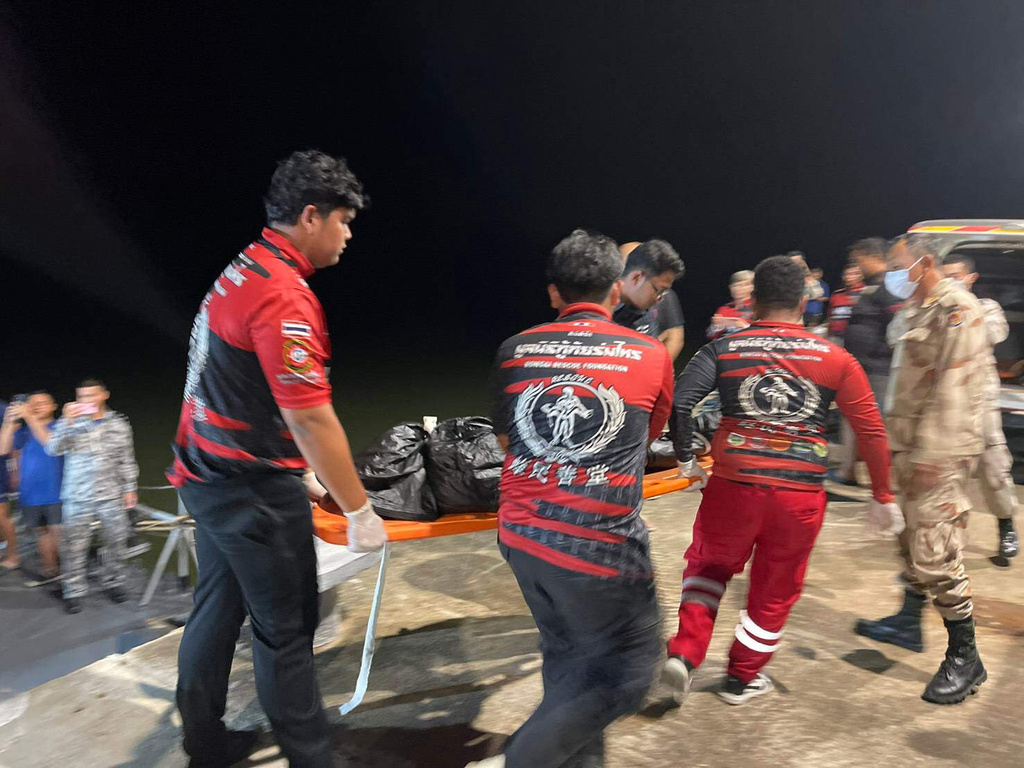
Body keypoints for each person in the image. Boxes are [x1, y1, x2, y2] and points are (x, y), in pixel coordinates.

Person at [169, 150, 387, 768]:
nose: (347, 236)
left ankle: (205, 745)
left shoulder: (245, 266)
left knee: (216, 607)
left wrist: (306, 474)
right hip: (248, 489)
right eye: (343, 222)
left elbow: (239, 384)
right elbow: (309, 415)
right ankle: (313, 757)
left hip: (203, 470)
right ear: (311, 217)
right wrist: (358, 508)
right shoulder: (285, 296)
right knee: (286, 630)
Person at [480, 229, 674, 768]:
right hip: (599, 549)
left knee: (571, 664)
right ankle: (518, 760)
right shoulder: (650, 353)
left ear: (553, 295)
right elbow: (646, 433)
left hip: (521, 536)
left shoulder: (514, 350)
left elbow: (507, 440)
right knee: (629, 675)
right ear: (616, 289)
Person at [667, 255, 898, 706]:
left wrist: (684, 459)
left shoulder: (724, 349)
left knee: (709, 568)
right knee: (776, 589)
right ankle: (741, 678)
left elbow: (680, 403)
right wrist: (883, 494)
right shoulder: (837, 358)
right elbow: (871, 430)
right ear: (804, 301)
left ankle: (685, 654)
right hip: (799, 495)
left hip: (732, 486)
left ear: (752, 301)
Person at [855, 234, 989, 705]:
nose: (890, 274)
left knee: (937, 551)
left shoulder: (958, 309)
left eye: (897, 265)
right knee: (908, 539)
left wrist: (933, 456)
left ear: (924, 262)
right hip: (910, 448)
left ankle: (965, 656)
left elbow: (956, 389)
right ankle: (909, 622)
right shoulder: (921, 306)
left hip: (939, 454)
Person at [941, 254, 1018, 559]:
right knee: (948, 474)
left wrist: (960, 307)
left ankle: (1006, 524)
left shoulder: (987, 307)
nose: (950, 282)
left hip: (979, 401)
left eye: (956, 276)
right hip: (945, 402)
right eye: (945, 277)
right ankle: (947, 538)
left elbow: (993, 334)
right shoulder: (934, 309)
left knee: (993, 468)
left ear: (970, 278)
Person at [46, 379, 138, 613]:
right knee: (74, 545)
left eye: (91, 395)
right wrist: (67, 421)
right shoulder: (69, 423)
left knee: (117, 540)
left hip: (111, 495)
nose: (87, 401)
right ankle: (73, 590)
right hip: (78, 494)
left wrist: (130, 488)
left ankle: (114, 581)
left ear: (104, 395)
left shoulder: (119, 424)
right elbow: (53, 449)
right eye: (82, 397)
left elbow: (126, 459)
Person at [831, 237, 901, 486]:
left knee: (874, 425)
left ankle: (884, 481)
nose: (857, 266)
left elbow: (898, 322)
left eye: (859, 260)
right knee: (852, 419)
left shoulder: (889, 285)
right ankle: (847, 471)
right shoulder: (873, 285)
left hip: (878, 370)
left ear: (873, 257)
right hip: (861, 367)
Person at [0, 392, 64, 583]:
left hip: (57, 493)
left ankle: (68, 574)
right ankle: (50, 570)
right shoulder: (23, 432)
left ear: (54, 406)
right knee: (41, 533)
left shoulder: (62, 427)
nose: (36, 407)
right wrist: (8, 422)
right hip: (31, 494)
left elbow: (50, 444)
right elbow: (3, 450)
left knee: (59, 533)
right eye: (32, 404)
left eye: (42, 403)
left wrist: (28, 416)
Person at [618, 241, 687, 360]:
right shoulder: (596, 301)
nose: (660, 299)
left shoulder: (643, 313)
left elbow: (674, 338)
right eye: (658, 291)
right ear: (636, 278)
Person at [707, 270, 754, 340]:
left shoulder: (759, 307)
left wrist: (744, 326)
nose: (737, 289)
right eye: (735, 285)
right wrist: (717, 326)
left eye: (742, 285)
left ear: (752, 287)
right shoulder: (724, 309)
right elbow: (710, 335)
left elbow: (768, 332)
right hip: (725, 346)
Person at [825, 264, 865, 343]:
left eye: (855, 274)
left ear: (862, 276)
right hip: (836, 336)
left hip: (858, 337)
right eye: (847, 274)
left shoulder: (867, 292)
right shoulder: (837, 294)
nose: (850, 277)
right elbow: (830, 316)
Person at [0, 398, 16, 574]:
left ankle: (13, 555)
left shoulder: (3, 408)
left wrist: (14, 468)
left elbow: (14, 434)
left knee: (1, 515)